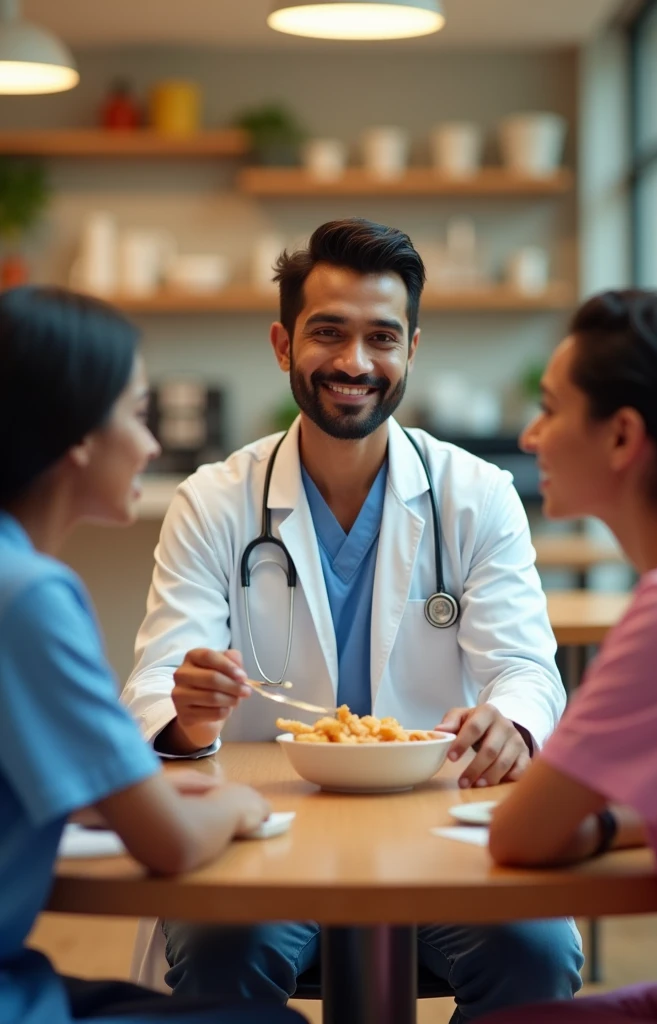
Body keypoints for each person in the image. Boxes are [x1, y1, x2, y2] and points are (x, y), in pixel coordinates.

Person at [122, 218, 583, 1021]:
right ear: (281, 343)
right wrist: (189, 715)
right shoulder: (214, 500)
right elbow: (157, 684)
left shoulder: (477, 495)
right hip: (265, 832)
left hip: (441, 827)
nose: (355, 363)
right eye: (328, 333)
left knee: (535, 953)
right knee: (220, 949)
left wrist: (510, 721)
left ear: (411, 349)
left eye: (381, 337)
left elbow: (526, 672)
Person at [0, 286, 304, 1024]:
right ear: (76, 434)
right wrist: (234, 803)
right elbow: (168, 846)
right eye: (137, 415)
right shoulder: (29, 597)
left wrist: (140, 798)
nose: (153, 444)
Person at [481, 289, 657, 1023]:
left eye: (550, 407)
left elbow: (519, 834)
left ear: (622, 437)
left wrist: (595, 821)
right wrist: (608, 821)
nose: (532, 436)